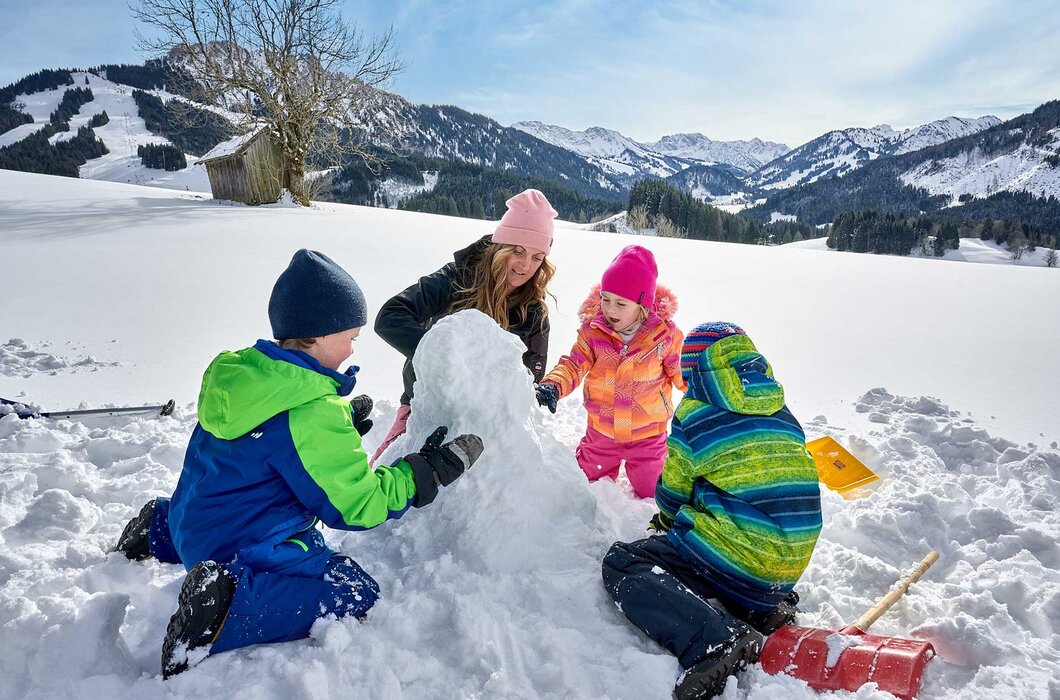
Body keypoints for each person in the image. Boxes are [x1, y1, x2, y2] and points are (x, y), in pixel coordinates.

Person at [113, 249, 483, 678]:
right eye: (350, 336)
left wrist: (338, 430)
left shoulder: (244, 377)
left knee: (217, 503)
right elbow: (356, 505)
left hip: (188, 523)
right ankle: (223, 607)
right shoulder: (312, 412)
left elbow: (265, 450)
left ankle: (155, 527)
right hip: (241, 547)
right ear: (317, 335)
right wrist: (425, 472)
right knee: (354, 592)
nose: (351, 348)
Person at [601, 322, 823, 699]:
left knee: (625, 562)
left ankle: (713, 641)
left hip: (740, 558)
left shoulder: (697, 413)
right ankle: (759, 608)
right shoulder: (782, 410)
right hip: (787, 568)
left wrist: (670, 523)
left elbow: (673, 495)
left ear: (694, 369)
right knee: (725, 529)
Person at [373, 188, 557, 462]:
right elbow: (390, 316)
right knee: (381, 476)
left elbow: (530, 374)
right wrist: (444, 358)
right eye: (517, 251)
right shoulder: (457, 278)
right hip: (423, 406)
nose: (525, 265)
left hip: (484, 422)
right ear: (500, 246)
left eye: (536, 256)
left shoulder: (534, 309)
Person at [535, 245, 684, 498]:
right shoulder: (593, 332)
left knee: (655, 491)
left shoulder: (664, 337)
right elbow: (573, 363)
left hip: (648, 437)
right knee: (582, 483)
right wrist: (554, 384)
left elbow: (683, 374)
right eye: (605, 299)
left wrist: (708, 399)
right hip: (602, 433)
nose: (610, 310)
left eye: (620, 303)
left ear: (642, 304)